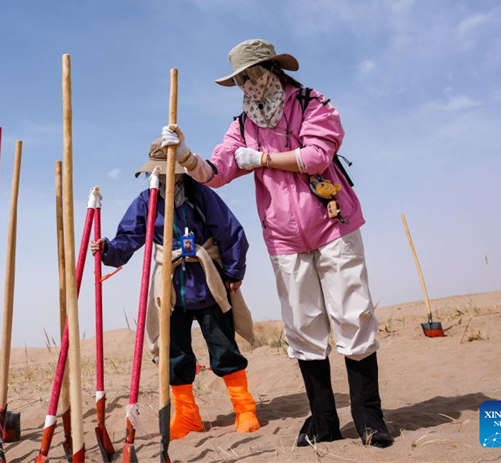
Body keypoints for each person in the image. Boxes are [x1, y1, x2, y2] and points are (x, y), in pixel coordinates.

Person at [161, 39, 393, 448]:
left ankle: (369, 418)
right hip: (284, 237)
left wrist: (263, 160)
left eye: (252, 75)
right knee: (302, 324)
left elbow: (317, 156)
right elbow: (216, 172)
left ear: (272, 69)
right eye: (240, 80)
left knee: (352, 316)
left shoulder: (311, 103)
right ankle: (324, 421)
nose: (247, 85)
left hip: (332, 225)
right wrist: (186, 156)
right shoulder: (242, 126)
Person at [91, 138, 260, 439]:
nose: (164, 176)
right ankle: (187, 416)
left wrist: (234, 272)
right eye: (158, 171)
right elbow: (127, 239)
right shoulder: (146, 201)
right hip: (170, 291)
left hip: (208, 284)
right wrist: (107, 249)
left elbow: (231, 232)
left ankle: (244, 408)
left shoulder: (201, 194)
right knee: (176, 356)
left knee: (224, 349)